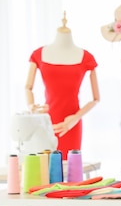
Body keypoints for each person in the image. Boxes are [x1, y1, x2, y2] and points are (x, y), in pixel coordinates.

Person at [25, 13, 100, 160]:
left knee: (71, 170)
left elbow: (96, 98)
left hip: (71, 124)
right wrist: (32, 106)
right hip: (46, 122)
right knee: (45, 169)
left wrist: (75, 118)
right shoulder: (38, 55)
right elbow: (28, 87)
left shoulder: (86, 58)